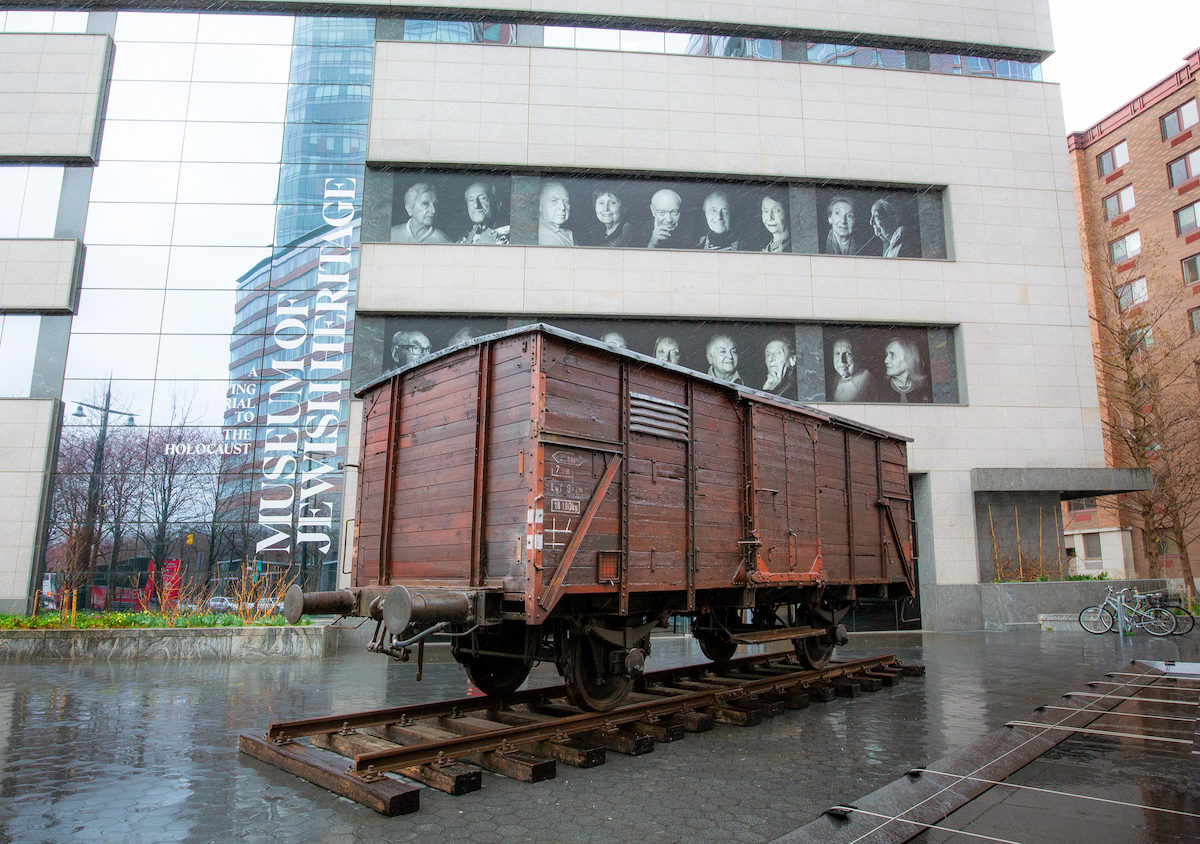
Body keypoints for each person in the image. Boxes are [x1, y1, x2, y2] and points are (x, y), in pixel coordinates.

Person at [882, 337, 932, 402]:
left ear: (908, 361)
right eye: (887, 355)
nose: (886, 361)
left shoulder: (925, 391)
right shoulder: (878, 388)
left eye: (892, 355)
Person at [830, 338, 877, 402]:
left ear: (856, 356)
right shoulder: (837, 377)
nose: (841, 360)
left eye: (847, 354)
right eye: (837, 353)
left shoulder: (866, 377)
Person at [538, 182, 574, 246]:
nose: (562, 207)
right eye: (554, 201)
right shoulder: (542, 236)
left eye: (566, 202)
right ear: (539, 206)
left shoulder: (564, 232)